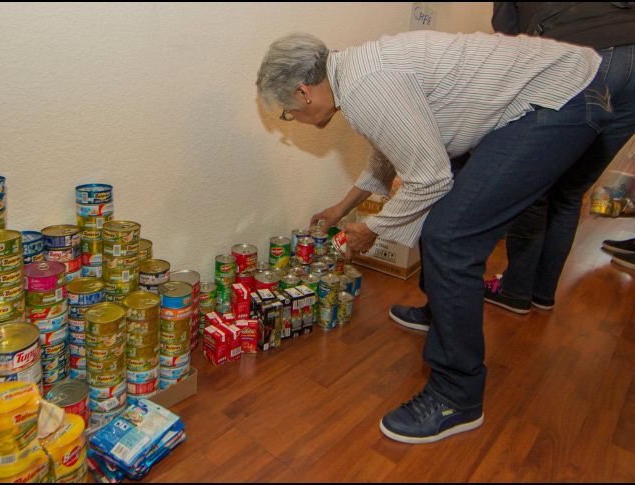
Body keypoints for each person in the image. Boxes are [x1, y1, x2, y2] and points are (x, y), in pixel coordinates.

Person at [257, 30, 608, 443]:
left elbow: (429, 179)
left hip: (558, 99)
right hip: (567, 84)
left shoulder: (365, 87)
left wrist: (373, 228)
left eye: (287, 113)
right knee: (447, 209)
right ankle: (441, 311)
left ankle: (457, 395)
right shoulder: (354, 76)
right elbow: (390, 151)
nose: (291, 121)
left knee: (449, 237)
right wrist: (342, 208)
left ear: (303, 92)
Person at [389, 2, 635, 330]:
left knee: (527, 194)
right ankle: (540, 294)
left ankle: (515, 290)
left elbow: (510, 37)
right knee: (570, 192)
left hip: (581, 55)